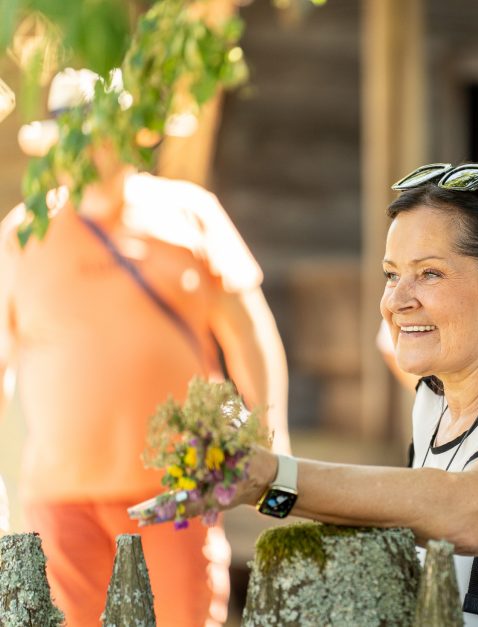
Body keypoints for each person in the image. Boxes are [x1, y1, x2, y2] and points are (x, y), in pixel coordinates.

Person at [133, 162, 478, 626]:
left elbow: (471, 513)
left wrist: (271, 477)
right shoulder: (433, 403)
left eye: (430, 273)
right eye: (391, 275)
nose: (397, 301)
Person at [0, 68, 291, 627]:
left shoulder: (190, 213)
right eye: (77, 139)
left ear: (129, 136)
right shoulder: (23, 234)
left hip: (176, 490)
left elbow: (248, 330)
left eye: (102, 134)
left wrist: (270, 431)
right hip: (61, 499)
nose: (92, 151)